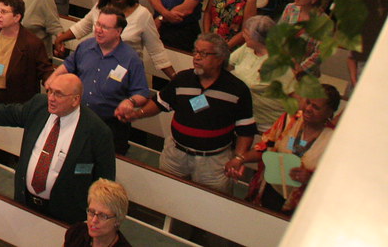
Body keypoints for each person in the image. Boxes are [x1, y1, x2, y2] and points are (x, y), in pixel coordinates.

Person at [0, 73, 116, 223]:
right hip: (25, 201)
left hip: (65, 215)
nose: (51, 98)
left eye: (58, 94)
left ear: (75, 100)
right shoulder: (39, 106)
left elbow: (105, 181)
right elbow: (9, 113)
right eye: (50, 91)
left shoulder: (97, 132)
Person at [122, 32, 257, 194]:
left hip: (213, 163)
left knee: (212, 202)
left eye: (203, 54)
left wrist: (239, 158)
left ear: (220, 59)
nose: (196, 57)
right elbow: (160, 103)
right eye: (195, 52)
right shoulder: (182, 79)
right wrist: (138, 114)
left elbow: (245, 130)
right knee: (167, 194)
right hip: (176, 156)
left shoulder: (237, 90)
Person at [227, 84, 341, 215]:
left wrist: (310, 179)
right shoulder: (290, 120)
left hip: (300, 206)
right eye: (308, 102)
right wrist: (240, 159)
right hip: (269, 191)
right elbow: (265, 147)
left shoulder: (334, 141)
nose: (308, 109)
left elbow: (334, 183)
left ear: (329, 112)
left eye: (316, 107)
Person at [51, 5, 151, 154]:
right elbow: (68, 66)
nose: (98, 30)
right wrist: (53, 79)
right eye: (98, 24)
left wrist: (130, 102)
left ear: (118, 32)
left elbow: (142, 93)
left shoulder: (131, 59)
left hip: (109, 126)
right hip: (77, 119)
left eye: (105, 27)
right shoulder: (85, 47)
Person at [63, 179, 134, 247]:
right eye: (91, 212)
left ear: (117, 220)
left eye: (103, 216)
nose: (94, 220)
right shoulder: (76, 233)